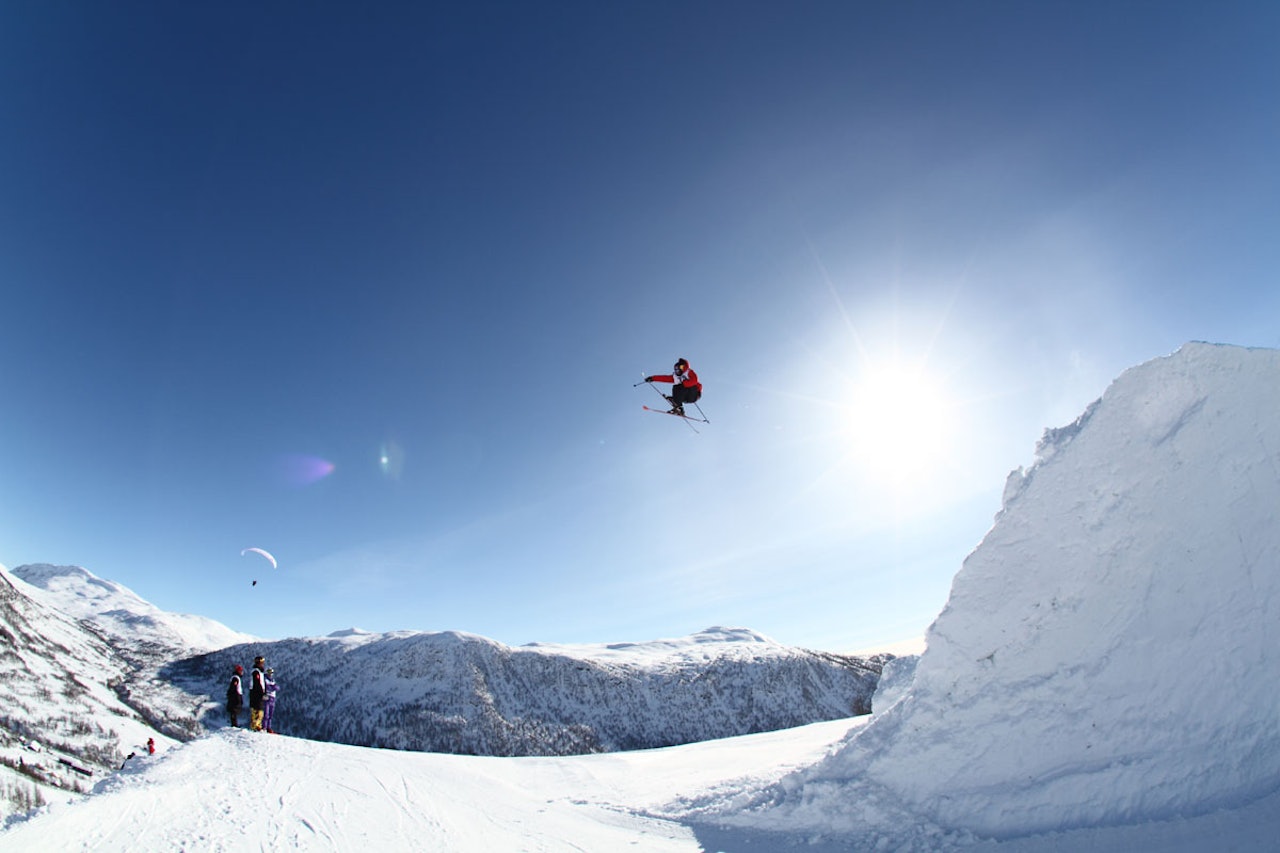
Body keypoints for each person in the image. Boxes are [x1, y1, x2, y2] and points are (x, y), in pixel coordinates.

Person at [249, 656, 267, 732]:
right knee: (257, 709)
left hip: (257, 693)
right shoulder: (256, 672)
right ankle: (255, 726)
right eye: (261, 663)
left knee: (260, 709)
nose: (262, 664)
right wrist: (261, 693)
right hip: (256, 693)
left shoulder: (259, 672)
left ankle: (258, 725)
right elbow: (257, 683)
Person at [263, 667, 279, 734]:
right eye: (269, 672)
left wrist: (274, 687)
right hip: (267, 696)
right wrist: (273, 687)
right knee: (266, 713)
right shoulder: (265, 679)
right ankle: (264, 727)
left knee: (270, 714)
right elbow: (267, 687)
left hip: (273, 697)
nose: (270, 674)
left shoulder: (272, 680)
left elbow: (277, 687)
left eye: (271, 672)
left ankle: (269, 727)